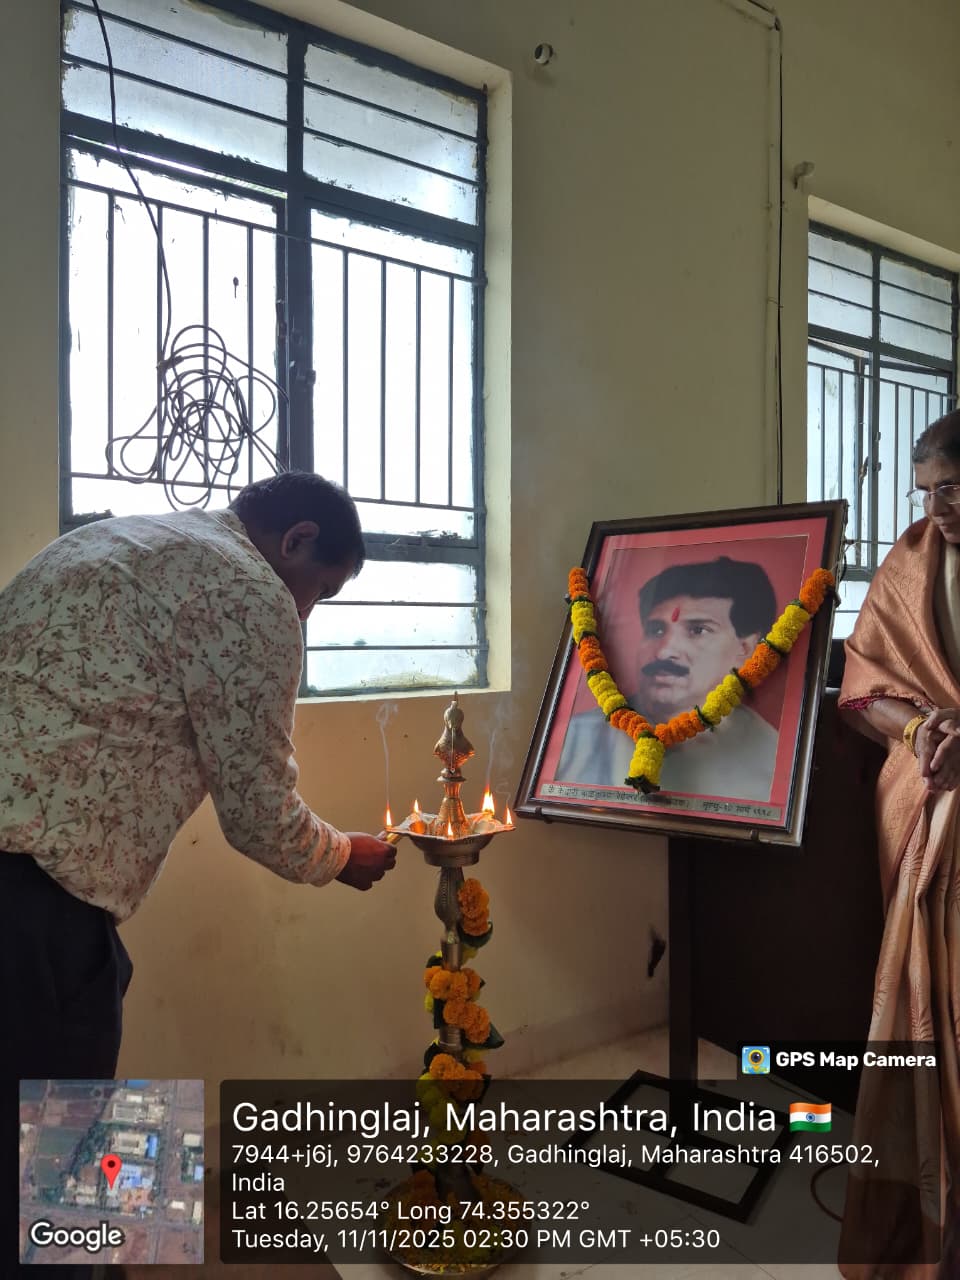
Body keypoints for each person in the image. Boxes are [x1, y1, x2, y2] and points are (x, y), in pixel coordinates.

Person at [0, 471, 397, 1086]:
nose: (305, 613)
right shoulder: (251, 590)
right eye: (320, 590)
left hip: (27, 879)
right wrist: (342, 855)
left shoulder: (114, 539)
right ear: (296, 539)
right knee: (59, 1133)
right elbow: (257, 814)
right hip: (35, 898)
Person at [837, 410, 960, 1277]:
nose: (936, 510)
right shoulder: (911, 561)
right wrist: (920, 727)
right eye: (925, 493)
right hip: (925, 805)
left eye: (952, 489)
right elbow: (865, 684)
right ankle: (925, 1221)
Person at [556, 556, 779, 800]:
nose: (664, 652)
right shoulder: (571, 742)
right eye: (656, 630)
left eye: (697, 630)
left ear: (745, 649)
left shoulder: (772, 759)